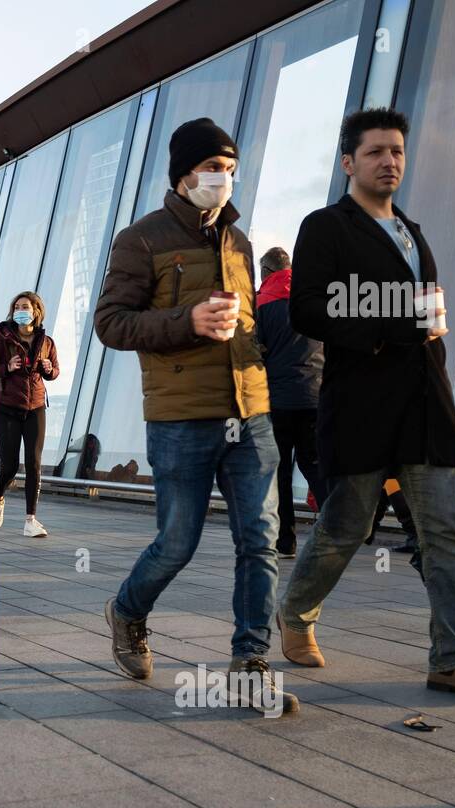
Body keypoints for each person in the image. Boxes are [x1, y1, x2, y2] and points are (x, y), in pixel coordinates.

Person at [275, 107, 455, 700]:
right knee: (345, 526)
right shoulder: (325, 226)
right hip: (361, 404)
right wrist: (388, 324)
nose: (390, 161)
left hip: (427, 403)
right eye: (376, 151)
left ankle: (453, 658)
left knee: (448, 531)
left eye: (398, 152)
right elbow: (307, 308)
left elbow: (420, 313)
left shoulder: (412, 230)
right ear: (348, 162)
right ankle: (297, 611)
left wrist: (426, 323)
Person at [93, 116, 294, 713]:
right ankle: (128, 609)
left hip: (251, 412)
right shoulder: (142, 239)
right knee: (177, 542)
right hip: (182, 417)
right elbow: (111, 323)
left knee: (260, 537)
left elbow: (247, 319)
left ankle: (249, 659)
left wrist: (260, 351)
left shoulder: (239, 242)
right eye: (213, 169)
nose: (223, 180)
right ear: (184, 175)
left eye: (230, 170)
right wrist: (187, 321)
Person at [253, 246, 327, 558]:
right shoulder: (314, 301)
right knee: (313, 463)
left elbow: (255, 351)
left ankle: (285, 540)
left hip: (278, 401)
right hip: (314, 398)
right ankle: (337, 526)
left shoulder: (261, 305)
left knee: (280, 471)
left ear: (267, 272)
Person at [0, 291, 59, 537]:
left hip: (36, 406)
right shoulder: (1, 339)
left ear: (35, 311)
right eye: (17, 306)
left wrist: (50, 370)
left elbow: (54, 370)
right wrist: (5, 368)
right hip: (7, 406)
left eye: (25, 306)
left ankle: (31, 520)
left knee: (34, 463)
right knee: (9, 464)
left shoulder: (46, 341)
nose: (21, 310)